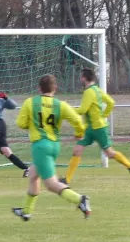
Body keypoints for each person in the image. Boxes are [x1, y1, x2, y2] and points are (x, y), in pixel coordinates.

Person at [12, 74, 91, 221]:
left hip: (40, 145)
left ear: (39, 88)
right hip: (54, 145)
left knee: (51, 184)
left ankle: (80, 199)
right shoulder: (61, 105)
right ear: (55, 88)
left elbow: (21, 124)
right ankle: (26, 211)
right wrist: (79, 134)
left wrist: (32, 123)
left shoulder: (30, 102)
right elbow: (78, 121)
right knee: (34, 176)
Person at [60, 68, 130, 184]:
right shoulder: (97, 90)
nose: (80, 79)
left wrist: (67, 109)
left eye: (81, 77)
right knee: (77, 150)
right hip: (90, 128)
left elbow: (82, 110)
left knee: (110, 153)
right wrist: (104, 115)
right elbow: (111, 102)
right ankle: (66, 180)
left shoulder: (89, 92)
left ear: (84, 78)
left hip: (99, 129)